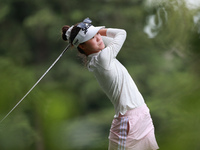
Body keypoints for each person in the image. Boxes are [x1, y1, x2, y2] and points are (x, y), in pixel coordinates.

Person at [61, 17, 159, 150]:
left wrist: (84, 33)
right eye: (92, 37)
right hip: (129, 121)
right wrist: (97, 31)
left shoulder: (98, 56)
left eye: (97, 34)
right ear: (83, 46)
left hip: (142, 115)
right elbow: (121, 33)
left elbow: (104, 41)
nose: (98, 38)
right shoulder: (102, 59)